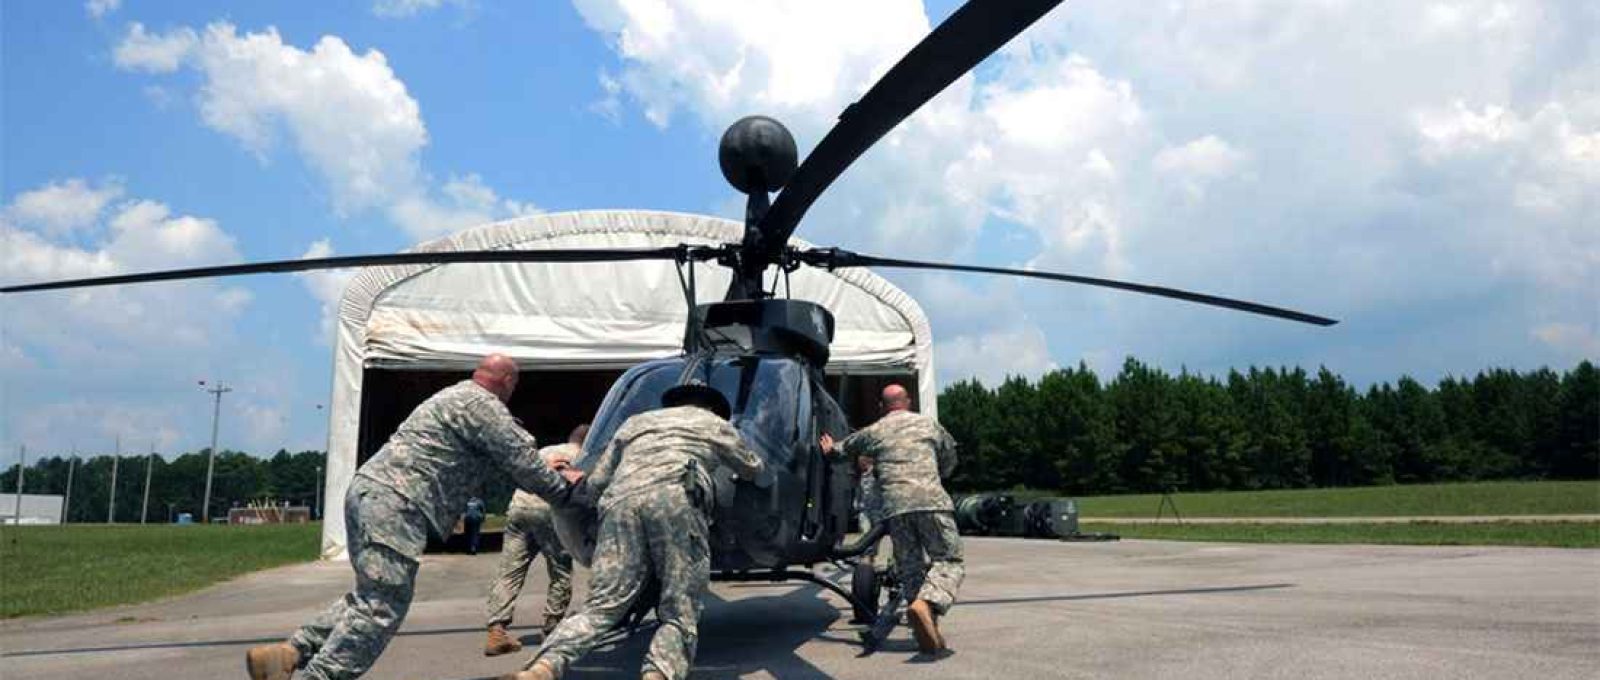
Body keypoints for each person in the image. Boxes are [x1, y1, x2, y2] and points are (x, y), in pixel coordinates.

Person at [245, 354, 585, 680]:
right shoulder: (483, 405)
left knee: (372, 596)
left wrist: (544, 467)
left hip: (374, 493)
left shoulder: (453, 398)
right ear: (509, 381)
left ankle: (288, 654)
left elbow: (493, 465)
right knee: (383, 607)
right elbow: (519, 459)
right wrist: (565, 491)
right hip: (397, 502)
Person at [502, 381, 766, 680]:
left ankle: (543, 667)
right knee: (680, 606)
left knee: (602, 604)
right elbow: (752, 467)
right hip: (675, 500)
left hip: (619, 505)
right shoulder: (714, 423)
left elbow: (599, 480)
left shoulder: (636, 422)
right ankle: (658, 674)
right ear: (711, 407)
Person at [821, 383, 961, 655]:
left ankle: (927, 628)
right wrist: (936, 474)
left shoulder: (874, 431)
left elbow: (840, 451)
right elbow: (949, 459)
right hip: (930, 501)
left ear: (882, 407)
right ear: (908, 402)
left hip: (895, 508)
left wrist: (829, 448)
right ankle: (928, 605)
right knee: (949, 560)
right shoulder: (929, 425)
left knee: (911, 569)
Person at [483, 424, 588, 657]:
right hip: (548, 510)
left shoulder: (546, 450)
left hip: (519, 507)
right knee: (560, 572)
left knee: (509, 571)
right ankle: (551, 628)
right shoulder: (583, 456)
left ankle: (496, 630)